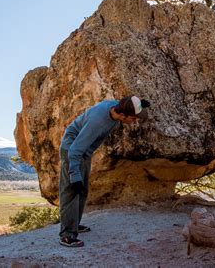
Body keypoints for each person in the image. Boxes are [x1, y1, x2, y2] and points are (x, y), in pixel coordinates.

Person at [58, 95, 151, 247]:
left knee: (82, 190)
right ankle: (67, 235)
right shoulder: (98, 122)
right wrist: (74, 174)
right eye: (133, 118)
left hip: (83, 151)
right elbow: (74, 150)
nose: (135, 121)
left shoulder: (117, 107)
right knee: (71, 190)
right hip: (72, 149)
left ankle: (74, 224)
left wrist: (140, 103)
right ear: (122, 115)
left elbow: (126, 100)